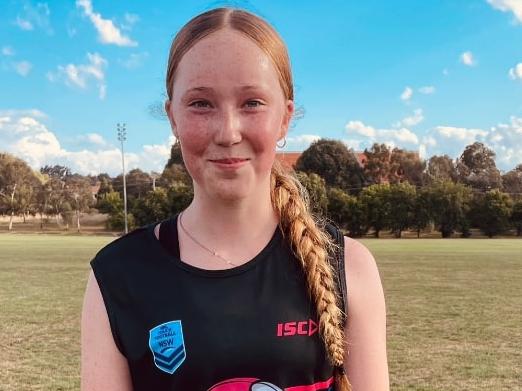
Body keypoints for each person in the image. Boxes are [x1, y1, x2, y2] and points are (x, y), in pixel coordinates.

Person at [81, 7, 389, 391]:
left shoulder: (349, 266)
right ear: (172, 117)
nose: (228, 132)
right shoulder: (117, 275)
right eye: (201, 103)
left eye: (252, 103)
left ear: (285, 118)